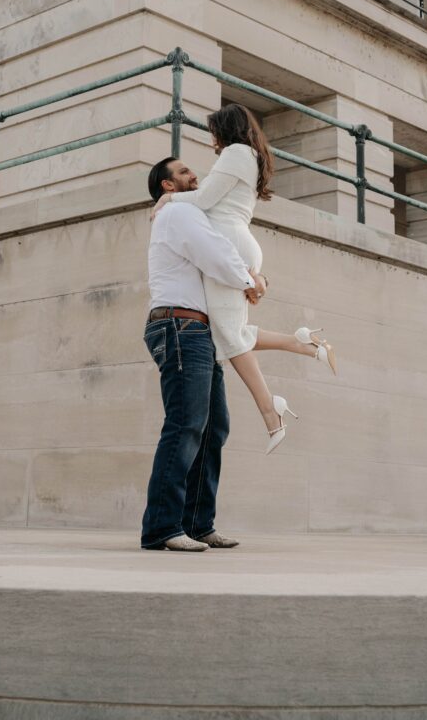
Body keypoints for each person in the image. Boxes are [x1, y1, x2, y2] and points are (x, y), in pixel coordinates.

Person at [153, 103, 338, 454]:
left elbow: (206, 199)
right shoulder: (247, 155)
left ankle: (271, 411)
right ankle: (303, 345)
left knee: (231, 338)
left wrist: (169, 198)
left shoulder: (237, 152)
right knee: (230, 334)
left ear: (225, 129)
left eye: (213, 133)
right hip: (234, 246)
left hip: (230, 247)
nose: (212, 142)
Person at [142, 156, 268, 552]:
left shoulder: (184, 210)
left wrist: (253, 278)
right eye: (182, 172)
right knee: (186, 425)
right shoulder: (180, 214)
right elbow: (215, 253)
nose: (193, 175)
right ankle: (162, 528)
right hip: (180, 327)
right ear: (167, 186)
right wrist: (250, 280)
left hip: (197, 331)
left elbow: (225, 249)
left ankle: (198, 523)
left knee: (213, 429)